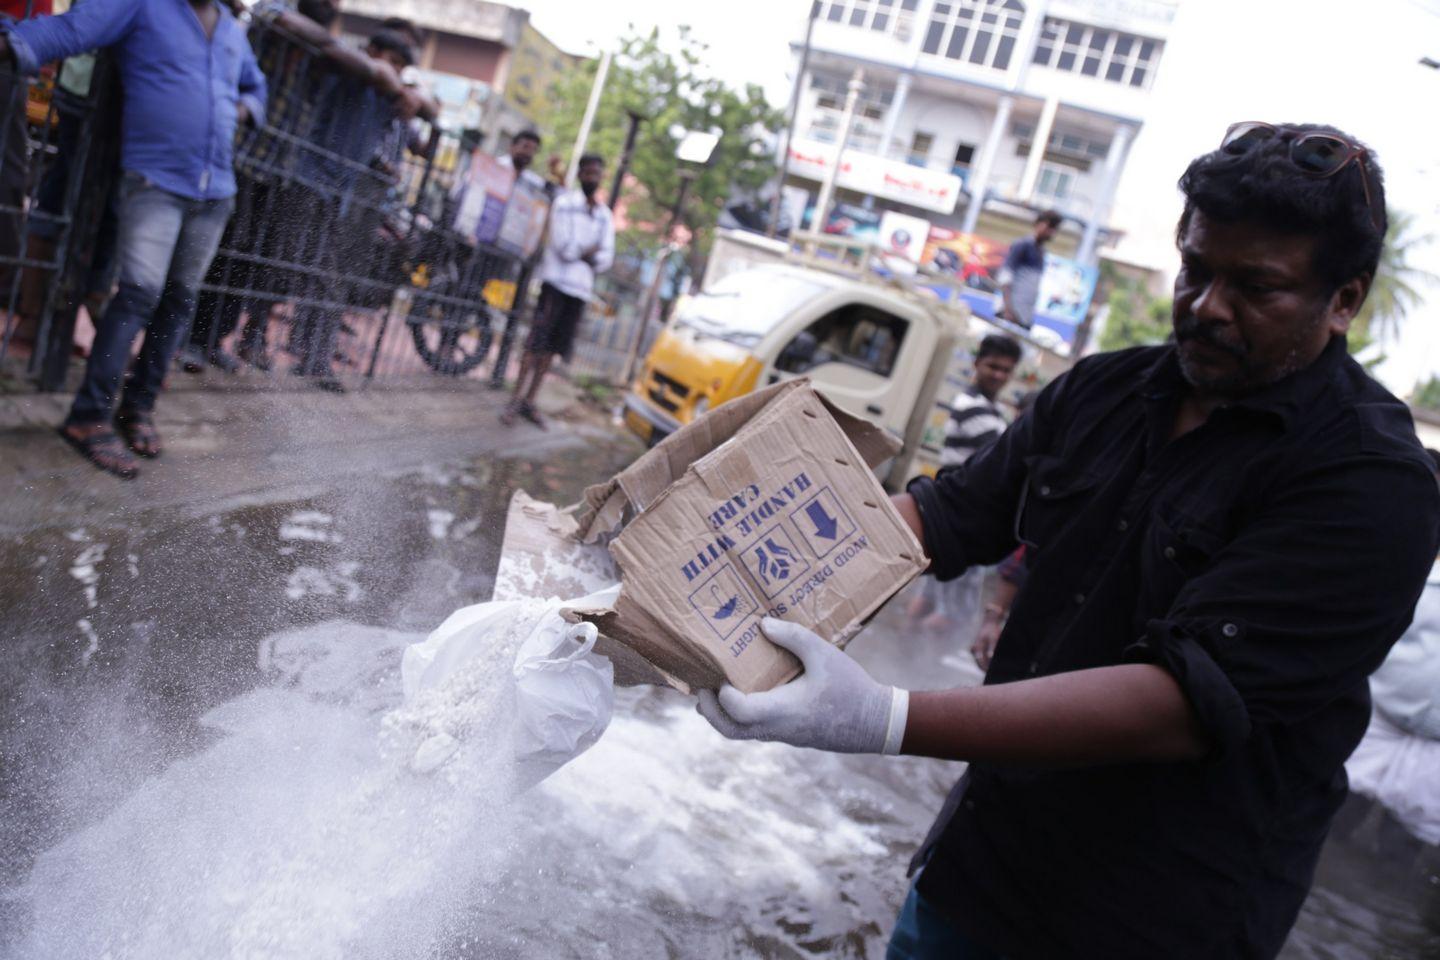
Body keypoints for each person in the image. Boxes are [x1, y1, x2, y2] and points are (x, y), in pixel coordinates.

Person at [696, 121, 1440, 959]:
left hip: (1153, 915)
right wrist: (703, 584)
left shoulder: (1371, 481)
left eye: (1255, 287)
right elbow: (943, 518)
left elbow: (1184, 701)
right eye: (1195, 268)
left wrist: (880, 717)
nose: (1206, 308)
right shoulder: (1104, 391)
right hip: (984, 866)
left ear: (1345, 299)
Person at [0, 0, 266, 478]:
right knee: (139, 294)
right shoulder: (145, 5)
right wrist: (14, 42)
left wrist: (244, 108)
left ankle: (137, 408)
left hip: (215, 188)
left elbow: (255, 84)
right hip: (154, 181)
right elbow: (73, 29)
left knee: (180, 300)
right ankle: (89, 417)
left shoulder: (231, 30)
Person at [905, 334, 1021, 639]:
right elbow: (1002, 460)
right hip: (966, 520)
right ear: (977, 364)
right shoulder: (975, 408)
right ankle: (918, 664)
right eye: (992, 366)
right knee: (952, 617)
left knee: (928, 600)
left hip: (952, 518)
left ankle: (904, 650)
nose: (998, 375)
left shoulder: (987, 409)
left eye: (1006, 370)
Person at [501, 152, 612, 429]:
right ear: (579, 175)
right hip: (555, 284)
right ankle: (514, 399)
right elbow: (564, 247)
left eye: (595, 173)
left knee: (551, 349)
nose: (591, 177)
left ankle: (530, 400)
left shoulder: (604, 216)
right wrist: (589, 251)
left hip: (580, 292)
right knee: (534, 344)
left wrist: (586, 254)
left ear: (601, 177)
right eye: (587, 172)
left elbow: (606, 257)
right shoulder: (564, 204)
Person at [996, 209, 1060, 329]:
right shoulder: (1022, 245)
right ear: (1039, 224)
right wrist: (1008, 310)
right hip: (1009, 314)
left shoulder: (1041, 252)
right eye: (1049, 227)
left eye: (1054, 229)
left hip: (1024, 317)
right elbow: (1005, 277)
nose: (1051, 232)